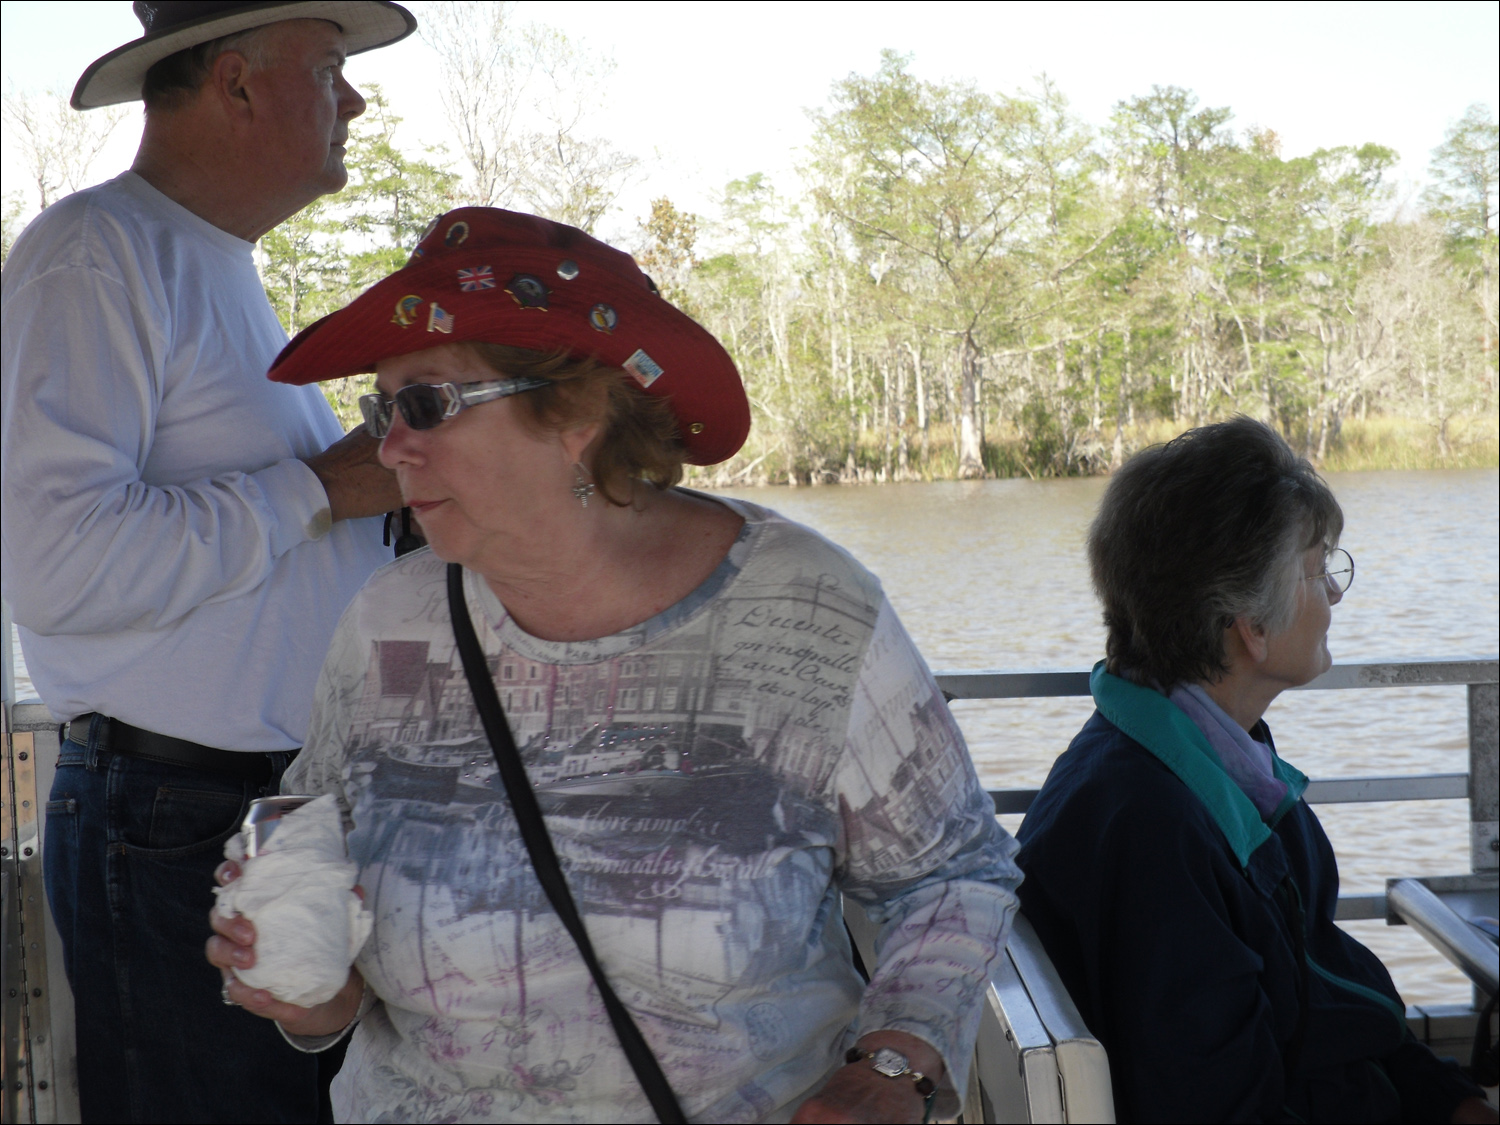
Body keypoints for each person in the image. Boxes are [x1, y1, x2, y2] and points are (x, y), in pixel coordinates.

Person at [205, 207, 1022, 1124]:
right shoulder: (389, 620)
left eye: (427, 403)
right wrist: (309, 988)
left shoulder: (806, 610)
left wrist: (894, 1065)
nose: (389, 445)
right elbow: (312, 873)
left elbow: (951, 872)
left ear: (578, 416)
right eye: (381, 408)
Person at [0, 3, 414, 1121]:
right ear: (236, 85)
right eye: (330, 69)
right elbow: (57, 566)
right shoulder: (96, 256)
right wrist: (326, 487)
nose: (357, 100)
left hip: (255, 806)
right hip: (172, 817)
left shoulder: (211, 265)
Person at [1014, 418, 1494, 1124]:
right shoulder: (1152, 830)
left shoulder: (1211, 770)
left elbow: (1324, 994)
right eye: (1318, 565)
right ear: (1251, 624)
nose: (1333, 594)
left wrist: (1450, 1101)